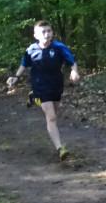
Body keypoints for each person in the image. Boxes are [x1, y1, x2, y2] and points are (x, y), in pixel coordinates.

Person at [6, 21, 80, 160]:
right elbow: (24, 64)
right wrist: (15, 77)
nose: (46, 34)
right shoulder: (31, 49)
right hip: (39, 84)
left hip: (56, 84)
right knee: (51, 117)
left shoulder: (59, 47)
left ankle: (34, 98)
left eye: (49, 31)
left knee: (54, 111)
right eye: (43, 32)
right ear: (36, 35)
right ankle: (60, 148)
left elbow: (72, 62)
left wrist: (74, 72)